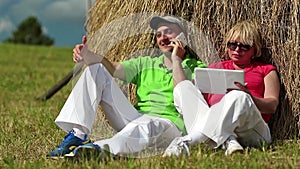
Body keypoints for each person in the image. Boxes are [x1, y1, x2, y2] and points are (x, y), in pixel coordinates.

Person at [46, 15, 206, 159]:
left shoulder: (197, 68)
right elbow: (114, 69)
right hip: (137, 119)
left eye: (168, 32)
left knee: (148, 125)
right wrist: (88, 56)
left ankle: (98, 150)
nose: (162, 38)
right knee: (97, 69)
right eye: (158, 34)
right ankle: (77, 136)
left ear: (183, 36)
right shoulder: (147, 63)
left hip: (171, 126)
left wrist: (176, 60)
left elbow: (182, 91)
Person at [163, 20, 280, 156]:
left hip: (253, 131)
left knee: (238, 96)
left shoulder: (266, 70)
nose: (237, 49)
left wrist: (249, 97)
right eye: (232, 45)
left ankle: (187, 142)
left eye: (244, 46)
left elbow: (272, 105)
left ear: (255, 49)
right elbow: (182, 94)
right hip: (217, 125)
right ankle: (227, 139)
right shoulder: (215, 68)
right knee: (184, 86)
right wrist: (176, 59)